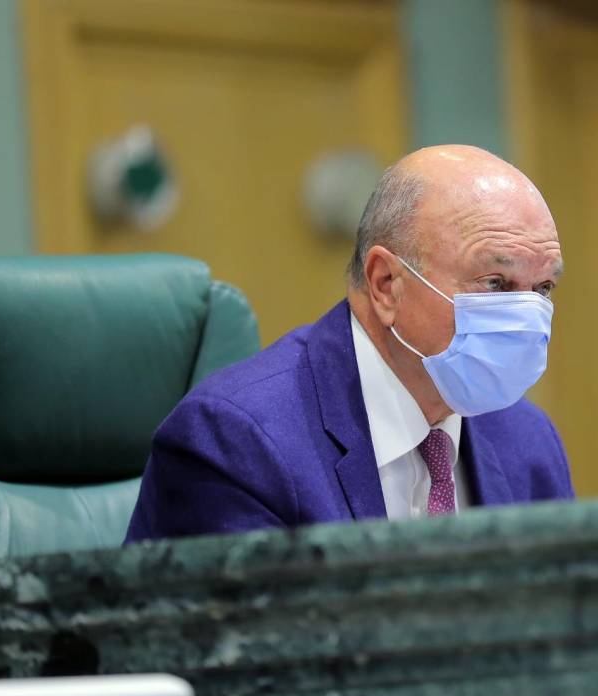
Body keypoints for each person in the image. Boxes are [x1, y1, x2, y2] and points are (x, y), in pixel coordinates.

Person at [125, 145, 573, 543]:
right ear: (386, 284)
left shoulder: (528, 440)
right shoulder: (238, 442)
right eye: (496, 283)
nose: (526, 314)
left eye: (543, 288)